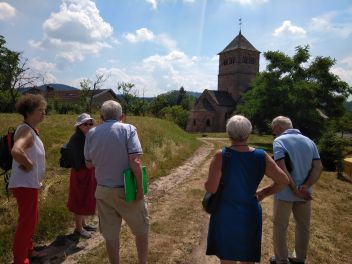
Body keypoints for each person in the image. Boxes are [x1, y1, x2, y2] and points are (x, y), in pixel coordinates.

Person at [205, 115, 289, 264]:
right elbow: (283, 180)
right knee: (247, 258)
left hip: (225, 213)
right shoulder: (261, 155)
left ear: (228, 133)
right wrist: (263, 192)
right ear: (249, 133)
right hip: (250, 213)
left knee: (227, 258)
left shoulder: (221, 156)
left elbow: (211, 188)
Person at [84, 100, 149, 264]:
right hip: (127, 189)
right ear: (122, 117)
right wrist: (140, 189)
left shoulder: (91, 133)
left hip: (103, 190)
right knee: (141, 229)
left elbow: (88, 163)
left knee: (110, 234)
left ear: (101, 117)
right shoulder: (128, 129)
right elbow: (135, 161)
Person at [270, 116, 323, 264]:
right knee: (303, 227)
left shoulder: (279, 141)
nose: (273, 132)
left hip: (285, 193)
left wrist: (294, 188)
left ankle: (281, 259)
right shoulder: (309, 141)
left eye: (273, 128)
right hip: (305, 194)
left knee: (280, 226)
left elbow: (281, 167)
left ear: (278, 127)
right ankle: (300, 258)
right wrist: (305, 187)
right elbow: (318, 166)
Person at [9, 94, 47, 264]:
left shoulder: (31, 130)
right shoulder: (25, 130)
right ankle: (20, 259)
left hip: (29, 185)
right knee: (27, 223)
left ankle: (29, 250)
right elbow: (16, 151)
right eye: (40, 110)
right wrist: (29, 164)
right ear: (29, 112)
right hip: (25, 185)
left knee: (31, 220)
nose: (43, 113)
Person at [66, 113, 97, 239]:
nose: (89, 126)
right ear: (79, 125)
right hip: (80, 173)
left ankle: (83, 224)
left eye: (90, 124)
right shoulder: (77, 139)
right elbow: (81, 159)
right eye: (86, 124)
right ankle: (78, 228)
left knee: (86, 197)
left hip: (87, 172)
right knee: (80, 198)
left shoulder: (85, 137)